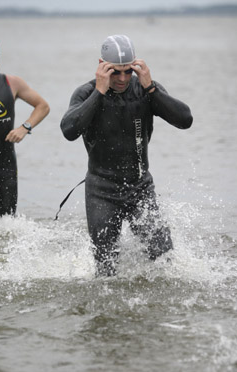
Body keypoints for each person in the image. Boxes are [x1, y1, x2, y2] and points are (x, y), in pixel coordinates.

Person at [60, 34, 193, 277]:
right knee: (106, 270)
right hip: (101, 190)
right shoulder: (86, 92)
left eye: (127, 71)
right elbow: (69, 130)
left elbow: (185, 120)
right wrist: (99, 93)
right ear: (102, 65)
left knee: (165, 260)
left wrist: (151, 88)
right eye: (115, 72)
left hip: (140, 186)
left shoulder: (145, 88)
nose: (122, 79)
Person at [0, 37, 50, 222]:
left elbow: (43, 106)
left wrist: (25, 127)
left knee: (7, 223)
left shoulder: (11, 83)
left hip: (6, 165)